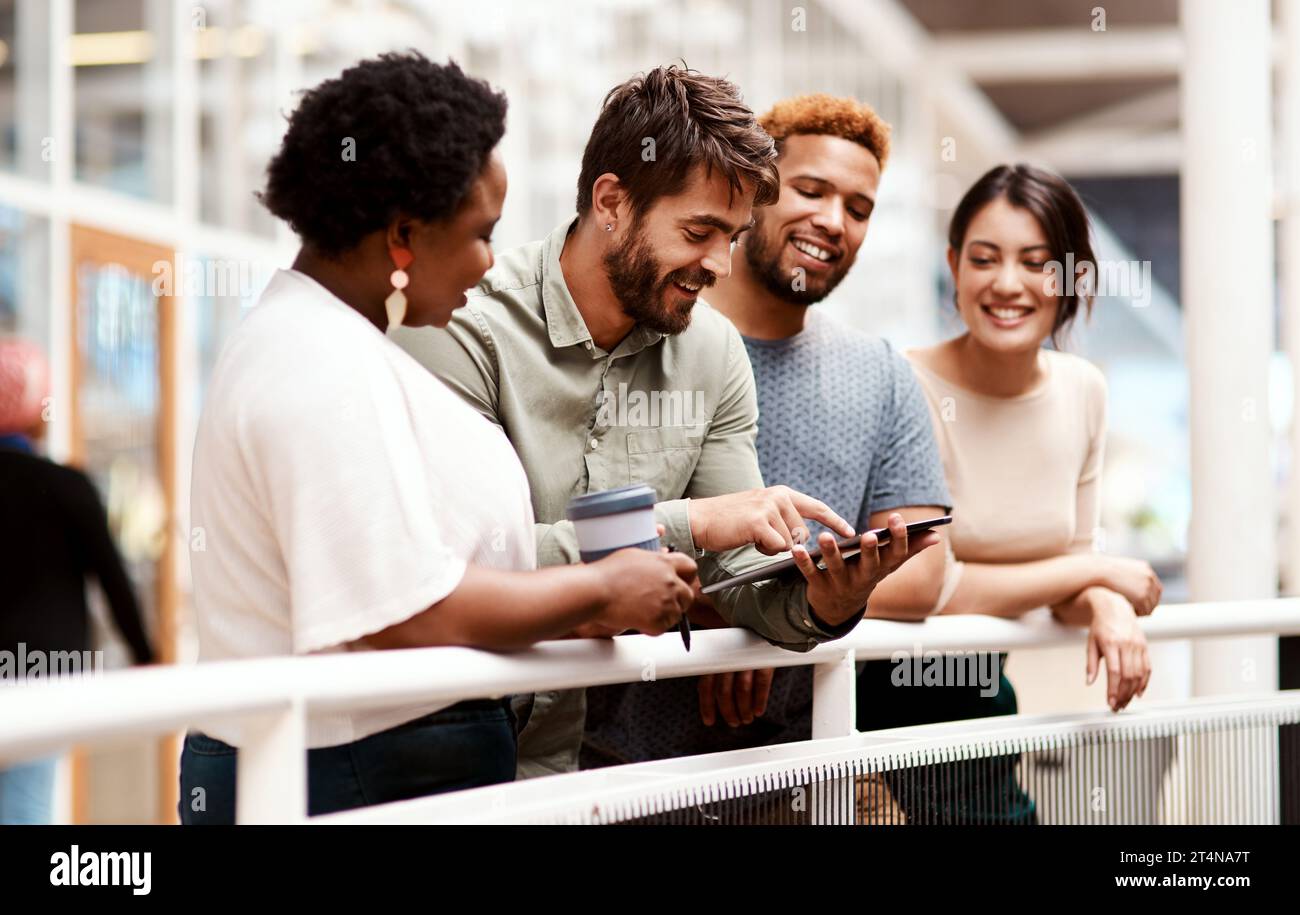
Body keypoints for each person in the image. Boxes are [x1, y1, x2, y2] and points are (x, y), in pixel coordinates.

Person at [182, 53, 697, 824]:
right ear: (402, 234)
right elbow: (405, 610)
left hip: (364, 759)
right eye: (480, 234)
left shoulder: (340, 344)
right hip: (349, 767)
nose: (490, 262)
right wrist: (601, 587)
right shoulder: (316, 361)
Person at [394, 66, 939, 780]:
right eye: (700, 231)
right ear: (612, 201)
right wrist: (692, 524)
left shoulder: (711, 352)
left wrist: (824, 599)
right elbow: (457, 572)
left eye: (734, 236)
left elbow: (741, 579)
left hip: (590, 778)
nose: (718, 264)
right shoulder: (466, 321)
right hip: (440, 759)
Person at [579, 95, 952, 802]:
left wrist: (773, 616)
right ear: (749, 199)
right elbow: (592, 536)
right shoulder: (642, 336)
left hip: (801, 770)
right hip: (625, 772)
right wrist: (729, 606)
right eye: (810, 190)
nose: (832, 221)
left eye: (859, 207)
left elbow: (924, 571)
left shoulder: (878, 372)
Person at [860, 162, 1163, 823]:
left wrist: (1105, 602)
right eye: (985, 258)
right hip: (884, 697)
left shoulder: (1083, 389)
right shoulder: (904, 382)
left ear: (1073, 276)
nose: (1007, 283)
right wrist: (1098, 573)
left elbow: (1067, 584)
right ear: (954, 265)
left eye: (1035, 262)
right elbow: (929, 585)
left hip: (984, 696)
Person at [0, 338, 154, 825]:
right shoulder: (66, 488)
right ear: (37, 413)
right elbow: (115, 581)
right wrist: (147, 658)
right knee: (23, 807)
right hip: (43, 680)